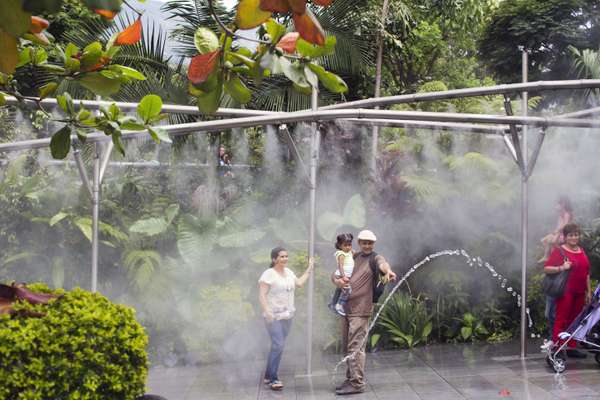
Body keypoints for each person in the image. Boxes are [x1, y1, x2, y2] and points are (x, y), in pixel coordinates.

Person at [331, 230, 396, 395]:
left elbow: (384, 264)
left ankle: (357, 383)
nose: (367, 245)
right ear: (359, 243)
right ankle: (350, 378)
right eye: (364, 242)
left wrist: (387, 271)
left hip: (361, 310)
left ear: (373, 244)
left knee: (356, 347)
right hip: (346, 309)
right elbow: (335, 274)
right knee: (348, 346)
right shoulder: (352, 256)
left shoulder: (375, 258)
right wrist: (337, 282)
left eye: (370, 243)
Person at [258, 247, 313, 391]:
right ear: (274, 259)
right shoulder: (268, 274)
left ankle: (268, 375)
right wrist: (267, 311)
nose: (285, 259)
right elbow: (262, 295)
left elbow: (299, 283)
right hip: (273, 316)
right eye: (282, 256)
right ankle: (273, 379)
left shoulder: (288, 272)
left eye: (286, 256)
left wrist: (309, 269)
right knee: (278, 345)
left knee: (277, 346)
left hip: (288, 316)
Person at [544, 223, 591, 358]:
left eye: (576, 235)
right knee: (561, 319)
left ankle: (571, 348)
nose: (574, 238)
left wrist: (588, 291)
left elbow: (586, 272)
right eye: (571, 235)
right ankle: (557, 349)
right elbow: (547, 268)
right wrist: (561, 268)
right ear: (565, 237)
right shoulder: (560, 251)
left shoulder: (581, 250)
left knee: (575, 321)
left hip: (580, 291)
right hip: (566, 291)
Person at [540, 197, 573, 345]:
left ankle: (558, 340)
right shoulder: (557, 253)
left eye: (557, 204)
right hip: (554, 284)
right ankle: (554, 339)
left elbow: (563, 228)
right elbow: (547, 269)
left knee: (555, 313)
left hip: (561, 286)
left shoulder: (566, 250)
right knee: (550, 313)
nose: (555, 206)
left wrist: (556, 234)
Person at [329, 233, 355, 316]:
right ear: (340, 246)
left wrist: (352, 252)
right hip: (343, 275)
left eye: (349, 245)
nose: (348, 247)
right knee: (347, 290)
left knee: (339, 290)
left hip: (345, 275)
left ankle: (333, 304)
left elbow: (352, 255)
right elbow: (340, 266)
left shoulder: (349, 252)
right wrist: (343, 276)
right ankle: (339, 305)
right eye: (345, 245)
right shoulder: (341, 254)